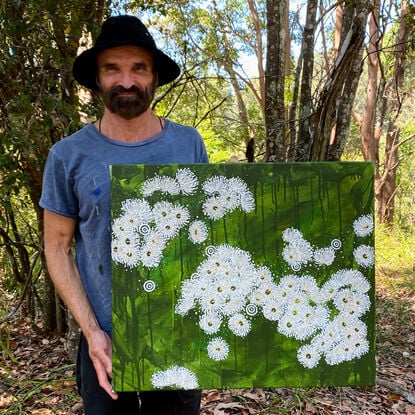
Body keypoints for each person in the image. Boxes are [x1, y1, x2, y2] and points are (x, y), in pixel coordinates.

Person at [40, 15, 208, 415]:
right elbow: (58, 247)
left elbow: (206, 231)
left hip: (178, 333)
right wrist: (93, 332)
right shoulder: (68, 156)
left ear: (154, 77)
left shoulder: (188, 143)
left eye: (138, 68)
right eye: (112, 69)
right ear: (98, 78)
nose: (126, 81)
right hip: (104, 341)